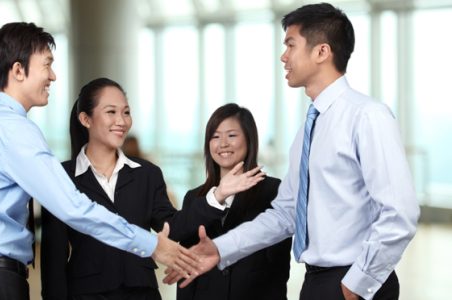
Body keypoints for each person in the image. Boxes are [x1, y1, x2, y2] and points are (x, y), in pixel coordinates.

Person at [164, 3, 420, 300]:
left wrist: (357, 284)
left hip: (352, 281)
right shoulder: (308, 131)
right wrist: (221, 249)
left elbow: (400, 212)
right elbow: (284, 215)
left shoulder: (366, 116)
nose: (283, 56)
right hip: (317, 281)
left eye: (290, 44)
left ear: (321, 52)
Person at [0, 22, 212, 300]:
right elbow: (73, 208)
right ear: (18, 70)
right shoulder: (14, 130)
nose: (52, 76)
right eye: (47, 64)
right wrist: (152, 245)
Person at [40, 78, 265, 300]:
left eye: (126, 112)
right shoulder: (62, 177)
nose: (121, 121)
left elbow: (174, 228)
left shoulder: (147, 174)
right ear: (85, 119)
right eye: (111, 112)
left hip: (142, 293)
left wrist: (218, 195)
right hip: (86, 293)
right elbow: (54, 259)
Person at [176, 103, 292, 300]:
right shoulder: (194, 198)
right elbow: (184, 262)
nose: (222, 144)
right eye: (215, 136)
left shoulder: (273, 191)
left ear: (249, 139)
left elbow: (279, 267)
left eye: (231, 135)